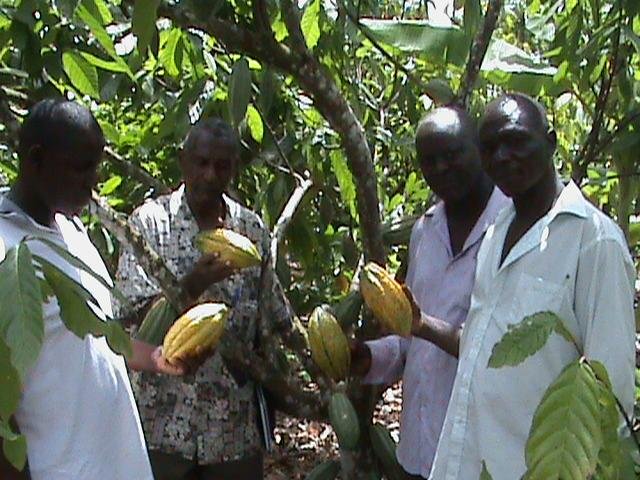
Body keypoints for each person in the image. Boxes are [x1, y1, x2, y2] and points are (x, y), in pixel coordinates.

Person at [412, 93, 636, 479]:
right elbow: (482, 344)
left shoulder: (594, 241)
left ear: (550, 142)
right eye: (490, 148)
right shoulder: (497, 232)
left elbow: (611, 392)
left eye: (516, 141)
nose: (502, 157)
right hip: (469, 462)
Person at [0, 98, 186, 480]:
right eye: (81, 168)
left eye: (96, 167)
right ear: (36, 160)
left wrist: (157, 358)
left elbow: (93, 335)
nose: (93, 182)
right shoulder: (5, 250)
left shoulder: (71, 230)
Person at [115, 117, 291, 479]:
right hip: (162, 427)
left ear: (234, 169)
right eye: (202, 162)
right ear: (183, 161)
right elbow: (131, 318)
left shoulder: (250, 230)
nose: (210, 175)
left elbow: (275, 316)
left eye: (222, 166)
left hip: (232, 431)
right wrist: (192, 284)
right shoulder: (149, 224)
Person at [351, 106, 509, 478]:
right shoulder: (424, 232)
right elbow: (411, 343)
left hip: (481, 458)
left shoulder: (513, 229)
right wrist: (368, 357)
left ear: (479, 150)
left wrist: (422, 325)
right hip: (419, 451)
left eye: (452, 155)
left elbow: (503, 349)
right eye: (429, 161)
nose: (440, 168)